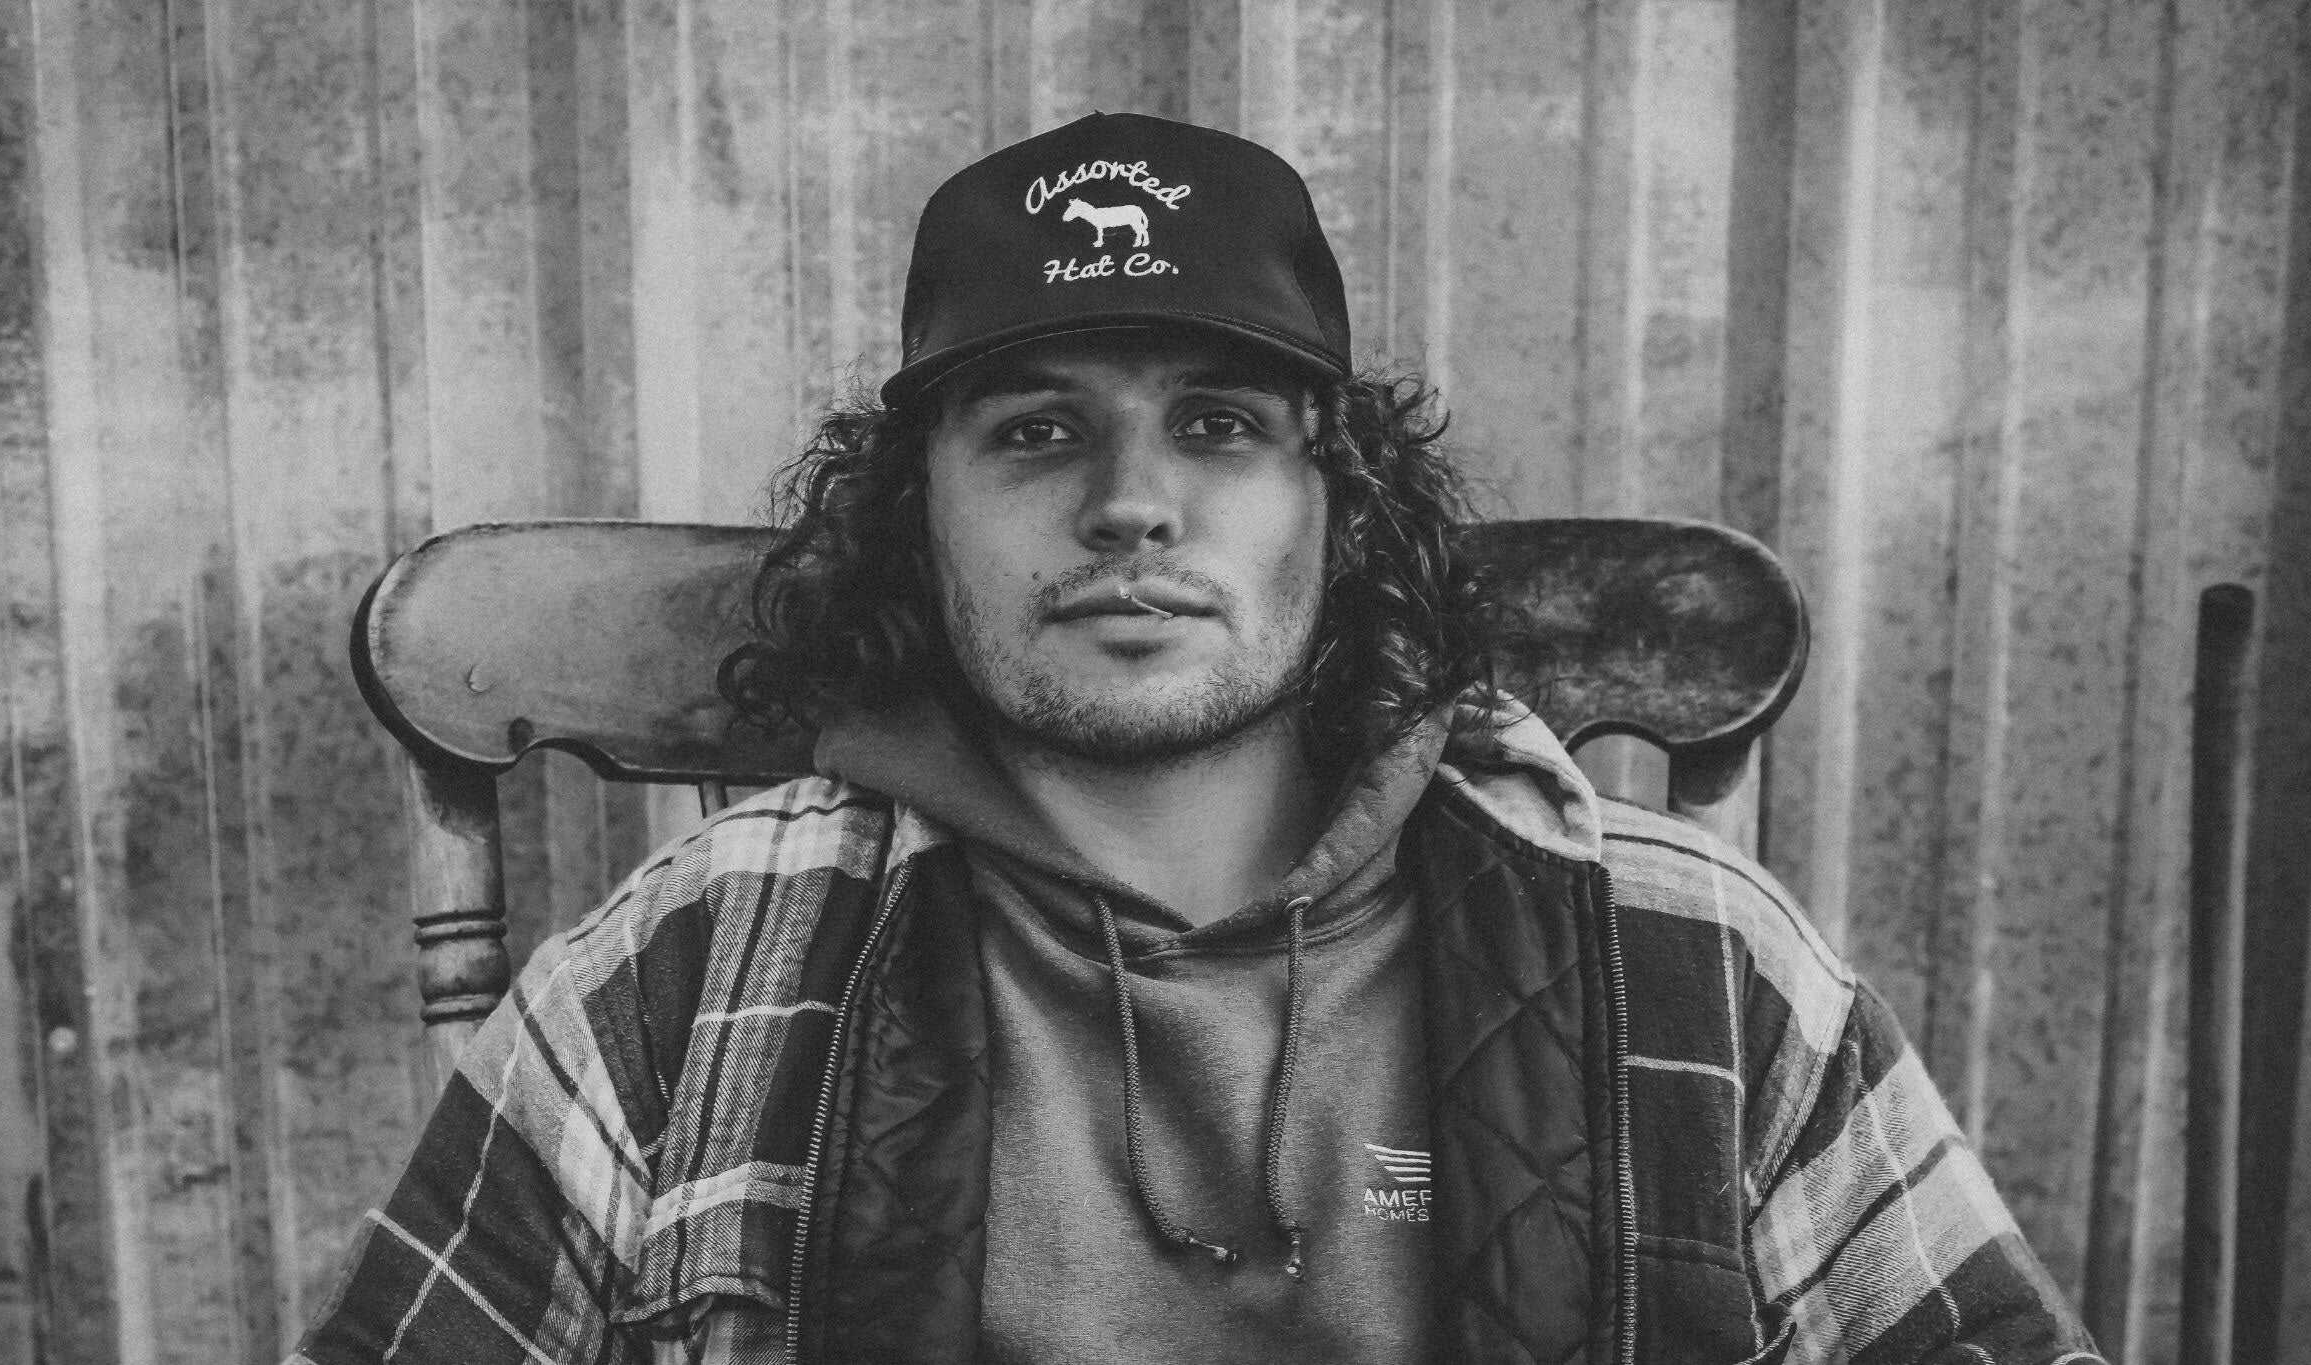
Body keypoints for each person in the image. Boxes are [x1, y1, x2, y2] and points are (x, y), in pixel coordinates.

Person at [293, 113, 2102, 1364]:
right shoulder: (692, 972)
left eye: (1219, 423)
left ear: (1341, 503)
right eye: (1034, 430)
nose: (1130, 504)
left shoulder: (1689, 956)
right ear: (916, 513)